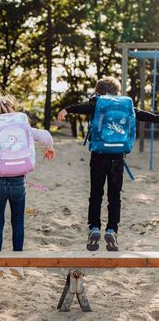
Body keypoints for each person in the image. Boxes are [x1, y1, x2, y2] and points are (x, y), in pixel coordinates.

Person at [58, 76, 159, 251]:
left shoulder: (98, 103)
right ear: (117, 92)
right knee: (115, 197)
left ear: (98, 91)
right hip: (118, 157)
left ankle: (94, 228)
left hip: (99, 155)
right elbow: (143, 115)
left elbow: (84, 108)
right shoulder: (125, 104)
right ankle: (112, 230)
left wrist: (66, 110)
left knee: (95, 194)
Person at [0, 95, 55, 278]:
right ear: (13, 109)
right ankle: (18, 264)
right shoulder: (22, 125)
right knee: (18, 221)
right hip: (18, 181)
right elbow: (46, 136)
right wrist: (50, 148)